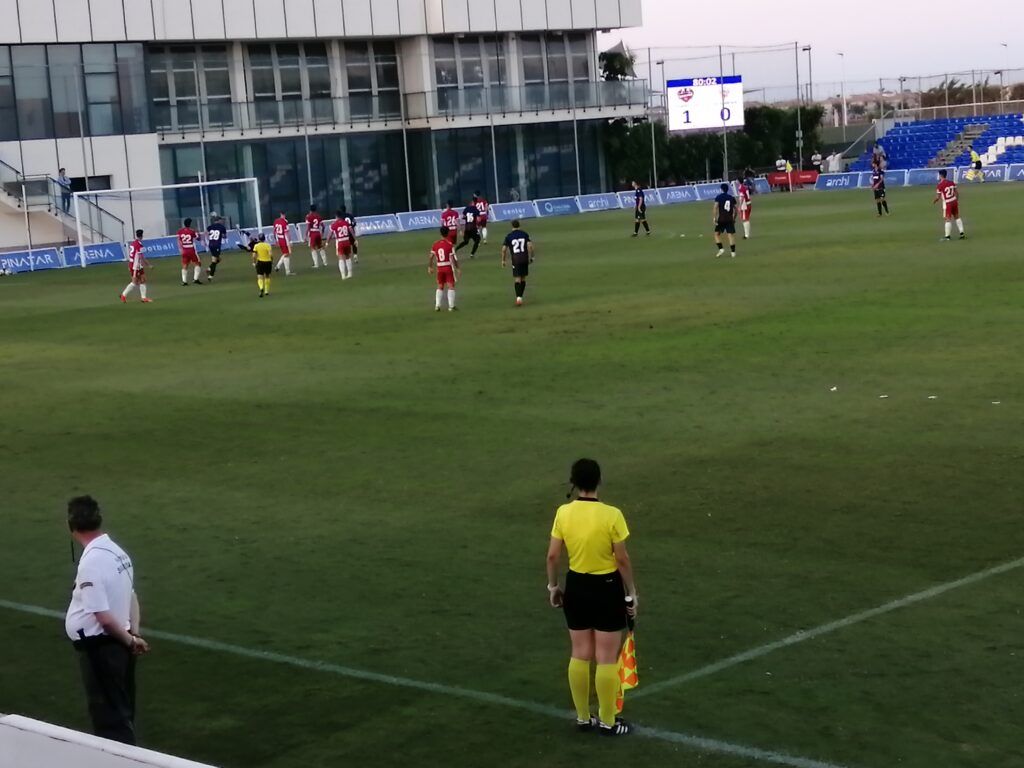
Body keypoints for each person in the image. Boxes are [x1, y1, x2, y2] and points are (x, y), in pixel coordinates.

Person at [546, 458, 637, 737]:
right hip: (607, 587)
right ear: (599, 481)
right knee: (606, 656)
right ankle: (609, 721)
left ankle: (583, 718)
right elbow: (621, 559)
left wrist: (553, 587)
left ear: (573, 483)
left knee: (580, 652)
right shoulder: (612, 515)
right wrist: (631, 592)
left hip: (576, 585)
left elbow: (552, 556)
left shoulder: (563, 513)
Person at [65, 495, 150, 745]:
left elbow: (102, 616)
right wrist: (133, 634)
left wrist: (128, 640)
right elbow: (131, 595)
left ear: (71, 526)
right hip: (119, 644)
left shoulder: (91, 562)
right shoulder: (117, 552)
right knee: (121, 711)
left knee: (109, 720)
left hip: (101, 648)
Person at [500, 219, 534, 306]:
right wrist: (532, 257)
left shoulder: (509, 236)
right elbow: (530, 246)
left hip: (516, 259)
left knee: (517, 278)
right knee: (523, 278)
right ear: (519, 225)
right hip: (524, 258)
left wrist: (503, 260)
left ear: (512, 226)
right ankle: (520, 297)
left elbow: (503, 249)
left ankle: (518, 298)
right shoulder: (524, 234)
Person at [428, 226, 460, 311]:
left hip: (440, 267)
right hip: (448, 267)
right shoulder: (449, 245)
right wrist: (457, 268)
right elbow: (453, 258)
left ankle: (437, 305)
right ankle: (451, 306)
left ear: (440, 233)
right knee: (451, 286)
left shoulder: (435, 244)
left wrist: (430, 267)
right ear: (448, 233)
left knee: (440, 286)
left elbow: (431, 256)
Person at [120, 230, 152, 304]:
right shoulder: (139, 245)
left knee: (143, 280)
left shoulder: (133, 243)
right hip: (135, 266)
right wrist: (148, 265)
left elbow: (132, 255)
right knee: (135, 282)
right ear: (142, 236)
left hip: (136, 265)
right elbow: (141, 257)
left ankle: (143, 298)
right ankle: (123, 295)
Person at [934, 169, 966, 241]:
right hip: (954, 201)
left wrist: (935, 200)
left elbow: (938, 197)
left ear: (941, 175)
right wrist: (956, 200)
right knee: (957, 217)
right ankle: (962, 233)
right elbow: (957, 193)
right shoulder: (951, 182)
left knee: (947, 219)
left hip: (947, 203)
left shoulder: (940, 185)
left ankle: (947, 236)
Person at [713, 183, 738, 258]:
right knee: (730, 235)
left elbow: (715, 207)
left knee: (716, 234)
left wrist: (714, 218)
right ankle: (733, 253)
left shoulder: (718, 197)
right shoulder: (731, 197)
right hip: (729, 219)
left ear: (721, 189)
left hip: (721, 219)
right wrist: (734, 218)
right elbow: (736, 210)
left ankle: (721, 249)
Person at [329, 209, 356, 279]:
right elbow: (351, 230)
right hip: (347, 241)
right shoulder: (345, 223)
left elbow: (330, 234)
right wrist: (355, 239)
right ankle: (350, 274)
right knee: (348, 257)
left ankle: (343, 275)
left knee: (341, 258)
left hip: (340, 241)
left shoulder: (334, 224)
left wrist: (327, 242)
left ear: (336, 216)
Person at [177, 218, 202, 285]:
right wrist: (198, 232)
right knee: (197, 264)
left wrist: (180, 249)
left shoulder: (180, 231)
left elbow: (179, 240)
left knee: (185, 265)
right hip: (191, 249)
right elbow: (199, 238)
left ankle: (184, 281)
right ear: (190, 224)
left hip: (184, 250)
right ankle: (196, 279)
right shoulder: (192, 231)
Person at [205, 212, 227, 280]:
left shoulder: (210, 227)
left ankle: (209, 268)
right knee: (215, 260)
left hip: (211, 245)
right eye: (221, 220)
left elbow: (206, 233)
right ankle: (211, 275)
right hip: (217, 245)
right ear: (219, 220)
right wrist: (222, 235)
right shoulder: (222, 227)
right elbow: (224, 236)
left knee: (218, 259)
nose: (222, 221)